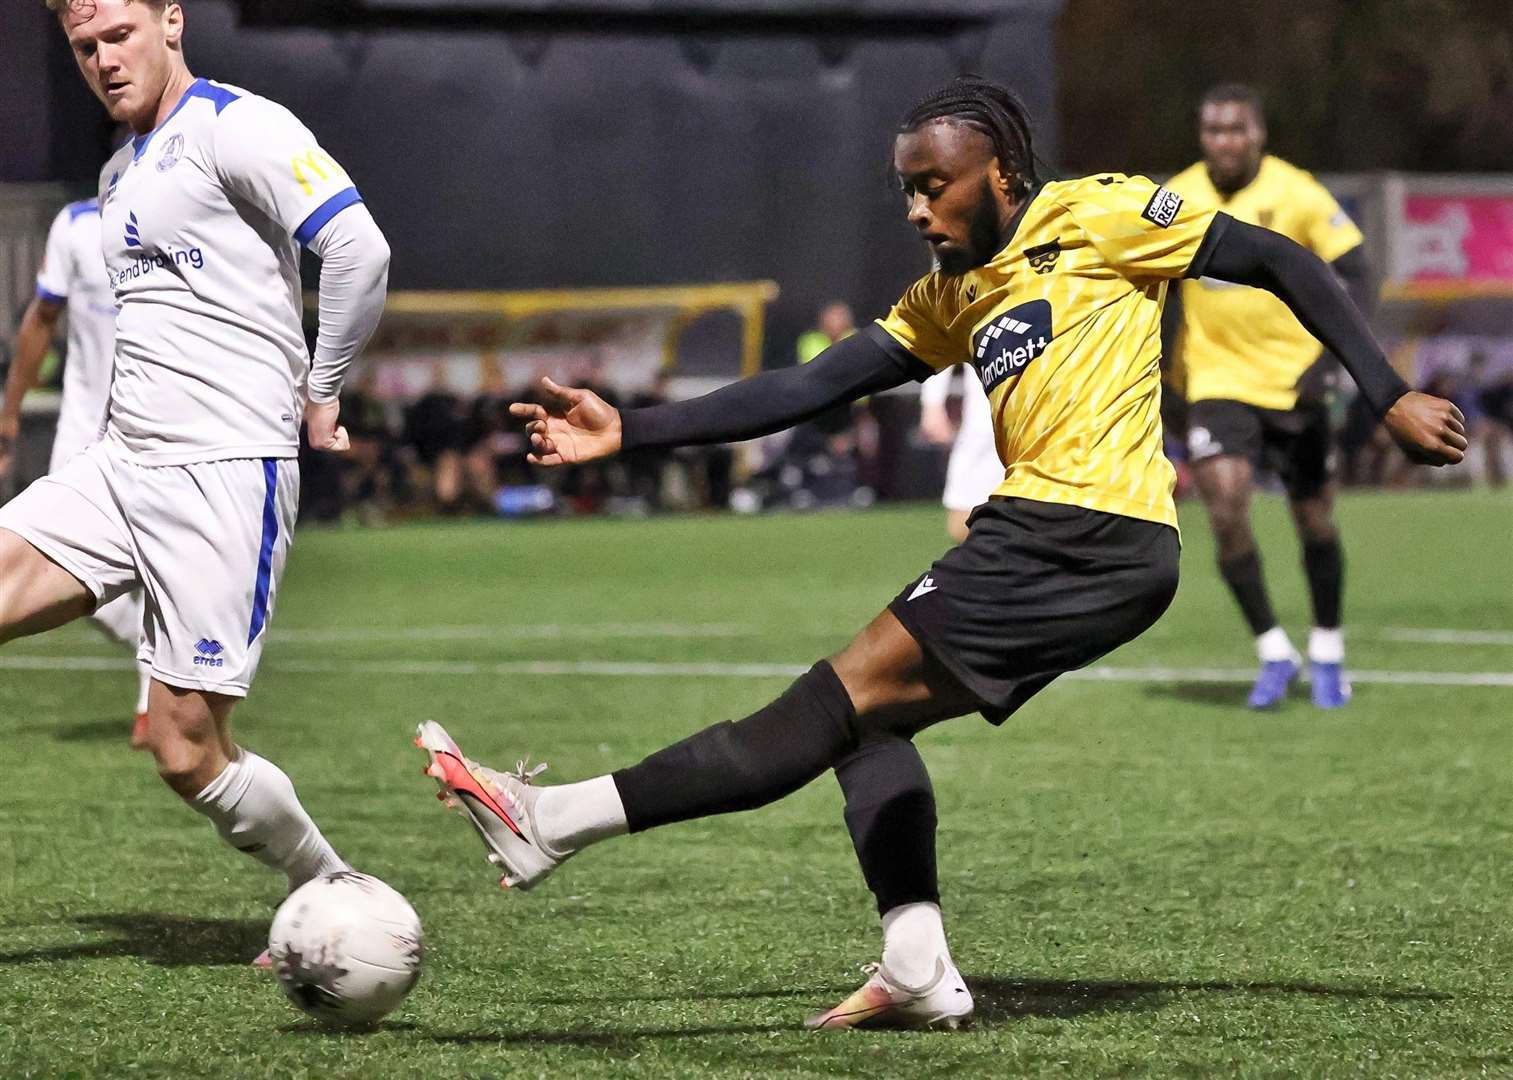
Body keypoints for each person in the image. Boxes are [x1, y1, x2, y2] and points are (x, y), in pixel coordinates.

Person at [418, 77, 1463, 1029]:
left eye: (935, 186)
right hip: (1049, 540)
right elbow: (810, 386)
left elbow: (1278, 258)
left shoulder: (1095, 213)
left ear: (998, 174)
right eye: (905, 191)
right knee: (864, 728)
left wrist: (1388, 390)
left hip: (1083, 534)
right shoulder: (950, 296)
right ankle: (915, 961)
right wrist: (632, 430)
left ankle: (551, 820)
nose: (917, 209)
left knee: (825, 704)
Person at [2, 0, 389, 959]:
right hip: (120, 465)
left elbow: (357, 248)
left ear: (171, 20)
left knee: (184, 752)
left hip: (223, 479)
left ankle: (329, 882)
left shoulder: (235, 125)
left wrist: (323, 389)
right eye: (84, 48)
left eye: (118, 36)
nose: (102, 60)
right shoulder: (118, 171)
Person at [1165, 84, 1374, 710]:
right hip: (1215, 381)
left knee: (1314, 521)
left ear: (1259, 133)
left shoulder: (1296, 191)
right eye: (1212, 130)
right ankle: (1274, 652)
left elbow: (1358, 270)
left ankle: (1329, 648)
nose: (1223, 141)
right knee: (1225, 507)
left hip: (1294, 380)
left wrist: (1331, 357)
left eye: (1235, 130)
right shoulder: (1176, 199)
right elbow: (1156, 281)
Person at [0, 187, 153, 731]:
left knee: (163, 572)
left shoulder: (186, 217)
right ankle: (155, 666)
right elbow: (42, 319)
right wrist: (10, 412)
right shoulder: (76, 225)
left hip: (160, 436)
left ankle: (157, 701)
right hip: (82, 435)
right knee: (70, 573)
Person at [917, 364, 998, 541]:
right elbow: (941, 340)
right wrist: (932, 404)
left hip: (1052, 424)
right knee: (962, 523)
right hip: (985, 427)